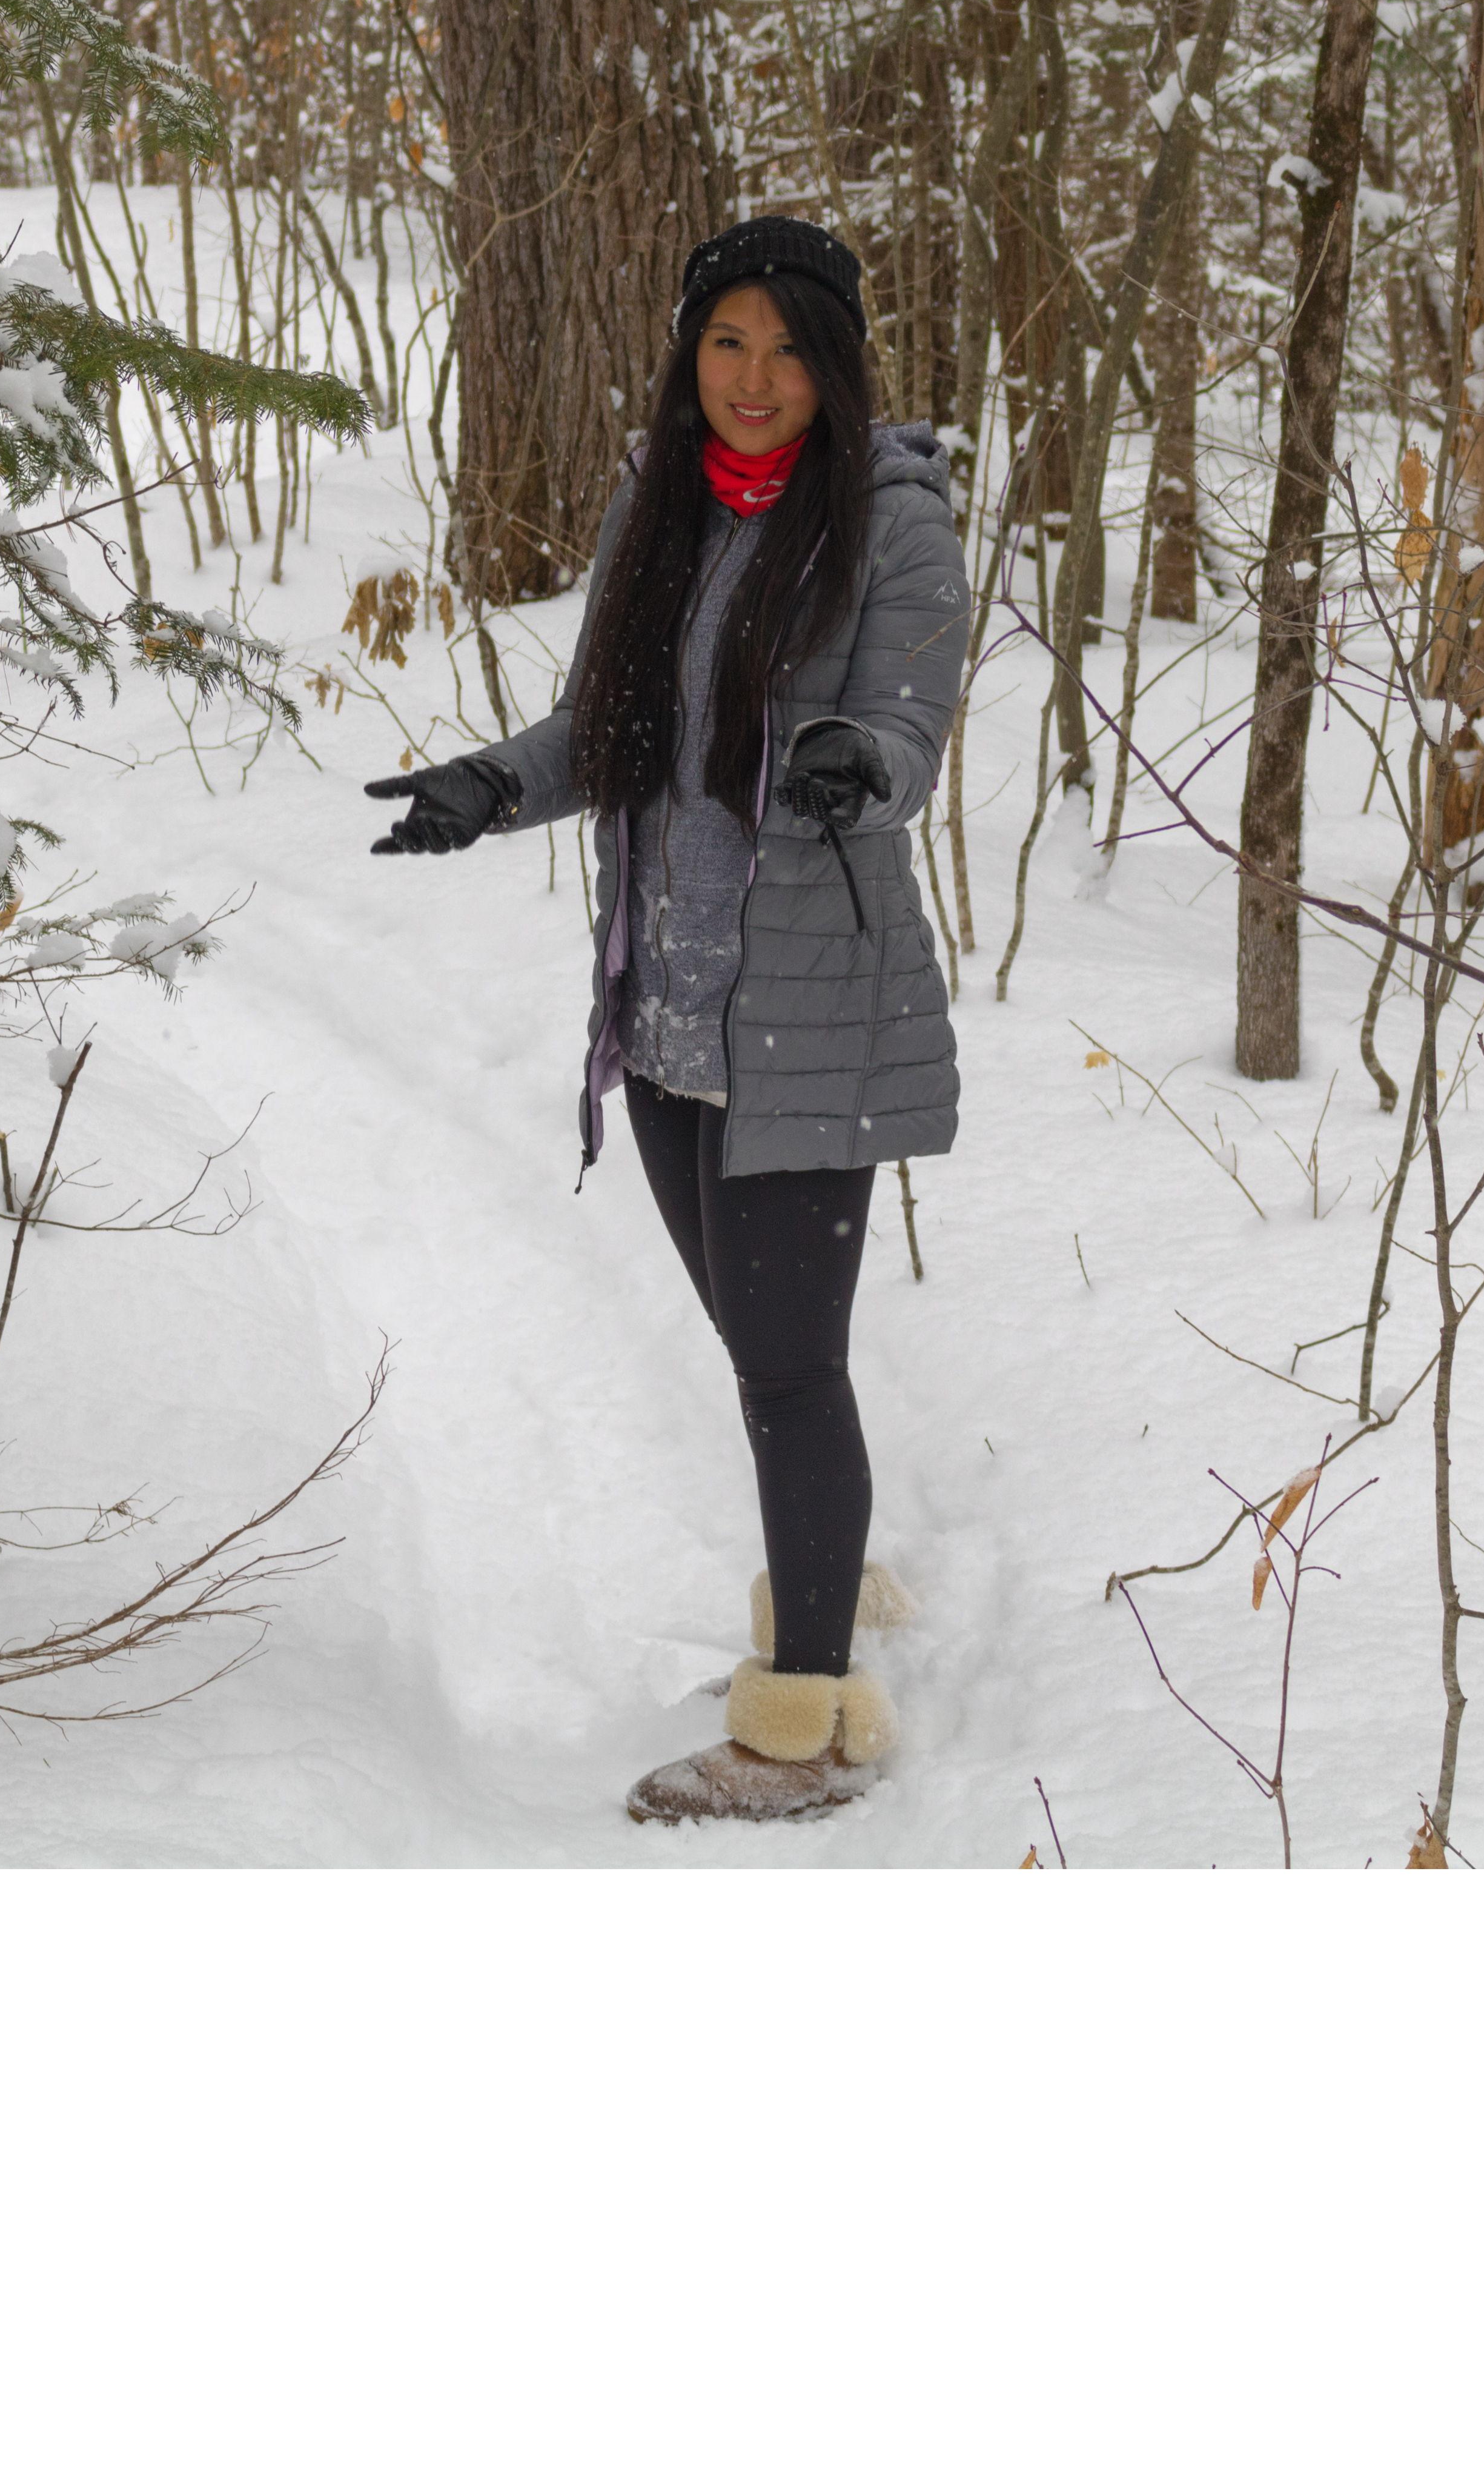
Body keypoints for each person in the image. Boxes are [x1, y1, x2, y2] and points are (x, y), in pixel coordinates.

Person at [365, 216, 969, 1824]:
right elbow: (606, 727)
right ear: (689, 352)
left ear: (835, 366)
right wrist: (489, 785)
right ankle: (828, 1580)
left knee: (786, 1372)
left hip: (811, 1012)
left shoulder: (892, 519)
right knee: (769, 1356)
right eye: (726, 345)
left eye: (787, 351)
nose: (754, 382)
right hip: (668, 1010)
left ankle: (805, 1732)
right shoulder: (665, 502)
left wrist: (860, 761)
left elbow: (909, 710)